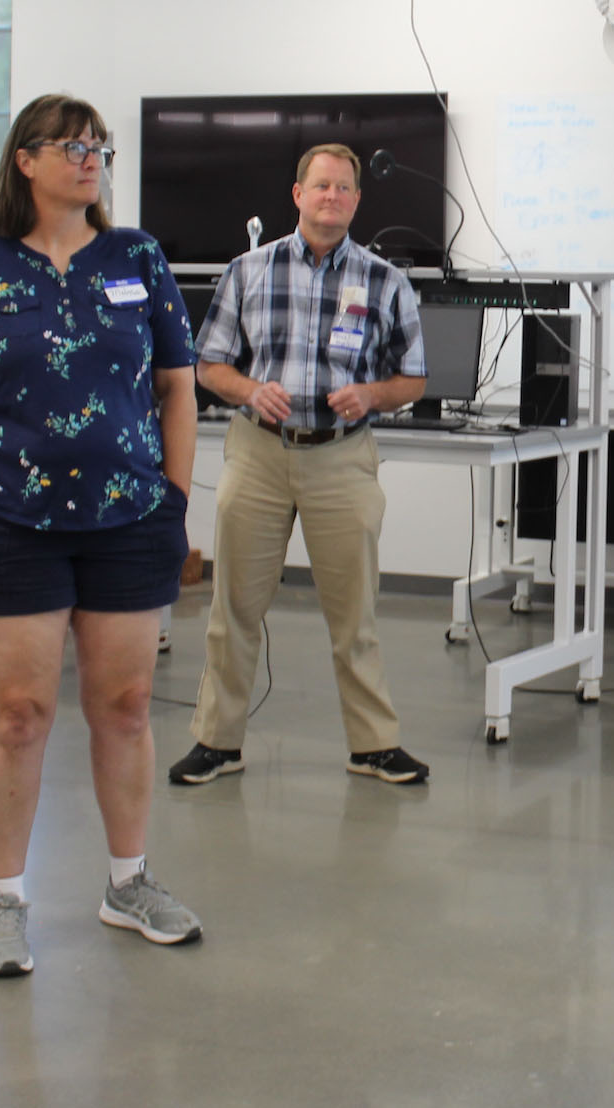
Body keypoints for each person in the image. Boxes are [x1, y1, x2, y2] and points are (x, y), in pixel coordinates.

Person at [0, 93, 201, 978]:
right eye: (72, 146)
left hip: (128, 519)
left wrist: (175, 498)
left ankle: (129, 883)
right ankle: (5, 900)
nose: (91, 159)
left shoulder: (138, 258)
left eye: (99, 147)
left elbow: (178, 388)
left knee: (121, 709)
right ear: (25, 161)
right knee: (18, 715)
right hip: (13, 521)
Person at [168, 144, 432, 788]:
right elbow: (209, 366)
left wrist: (371, 394)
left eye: (344, 189)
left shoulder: (384, 281)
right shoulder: (248, 270)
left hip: (342, 457)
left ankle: (372, 747)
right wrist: (248, 390)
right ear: (297, 194)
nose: (332, 198)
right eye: (321, 186)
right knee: (233, 608)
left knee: (355, 613)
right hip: (258, 454)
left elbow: (415, 379)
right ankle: (217, 741)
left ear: (357, 202)